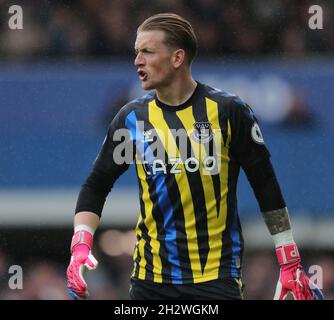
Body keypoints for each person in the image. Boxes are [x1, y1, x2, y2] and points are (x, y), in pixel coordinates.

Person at [66, 13, 323, 300]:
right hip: (150, 281)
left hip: (217, 279)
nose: (138, 60)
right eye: (136, 52)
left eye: (148, 52)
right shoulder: (132, 119)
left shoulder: (228, 111)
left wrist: (289, 258)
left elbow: (265, 183)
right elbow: (96, 185)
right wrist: (80, 245)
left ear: (177, 58)